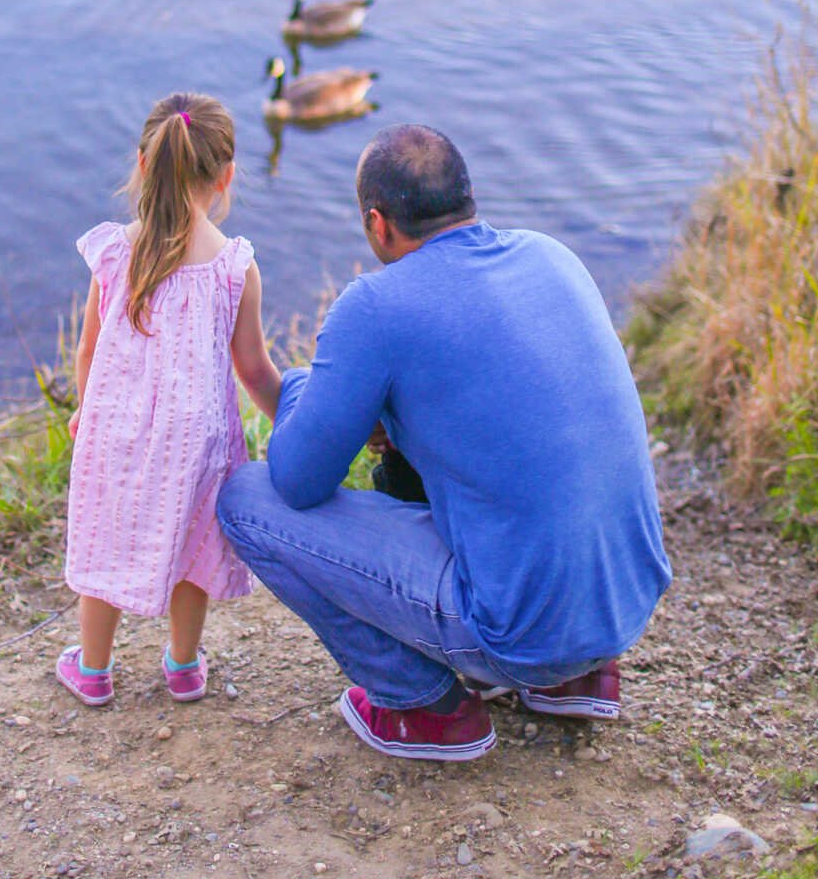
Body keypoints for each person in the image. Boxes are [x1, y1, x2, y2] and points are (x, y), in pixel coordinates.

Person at [217, 125, 671, 763]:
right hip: (624, 605)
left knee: (244, 496)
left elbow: (296, 481)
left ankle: (425, 707)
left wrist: (300, 389)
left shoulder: (376, 305)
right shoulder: (552, 255)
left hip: (519, 634)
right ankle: (578, 675)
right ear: (468, 196)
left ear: (377, 223)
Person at [57, 91, 282, 707]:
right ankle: (183, 665)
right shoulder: (235, 266)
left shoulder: (113, 254)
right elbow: (254, 368)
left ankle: (94, 669)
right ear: (227, 175)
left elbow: (89, 352)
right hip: (199, 438)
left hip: (118, 432)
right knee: (194, 544)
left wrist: (88, 410)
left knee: (105, 535)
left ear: (142, 161)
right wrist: (294, 422)